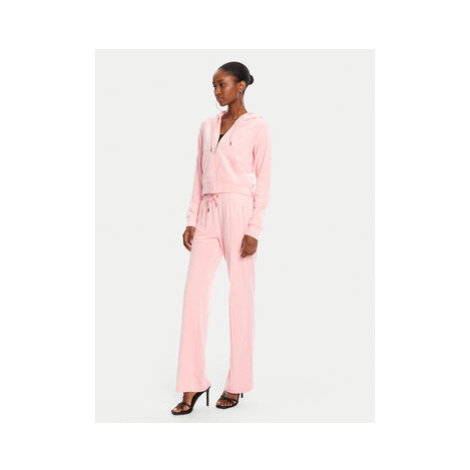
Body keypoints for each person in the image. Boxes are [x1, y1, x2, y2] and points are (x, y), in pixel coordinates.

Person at [171, 61, 272, 415]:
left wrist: (254, 228)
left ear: (241, 85)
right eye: (213, 86)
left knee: (240, 297)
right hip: (208, 213)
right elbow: (198, 175)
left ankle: (238, 382)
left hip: (239, 212)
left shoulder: (257, 127)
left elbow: (264, 181)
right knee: (194, 296)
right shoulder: (206, 126)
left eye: (222, 84)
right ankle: (192, 381)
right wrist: (191, 219)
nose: (216, 91)